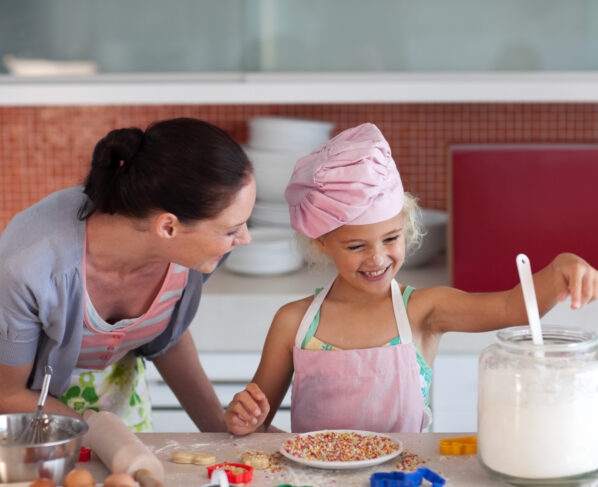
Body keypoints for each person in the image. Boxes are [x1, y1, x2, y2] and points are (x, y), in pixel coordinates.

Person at [224, 122, 598, 435]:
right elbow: (257, 421)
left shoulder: (423, 310)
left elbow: (511, 307)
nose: (377, 257)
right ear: (322, 243)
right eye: (356, 246)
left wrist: (560, 269)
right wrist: (244, 417)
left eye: (391, 238)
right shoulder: (293, 323)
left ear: (407, 226)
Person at [0, 117, 255, 432]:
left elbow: (168, 337)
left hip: (122, 402)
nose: (245, 239)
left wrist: (220, 430)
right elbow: (9, 394)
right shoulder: (29, 269)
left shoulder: (189, 255)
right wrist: (108, 438)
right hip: (32, 418)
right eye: (232, 229)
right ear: (168, 227)